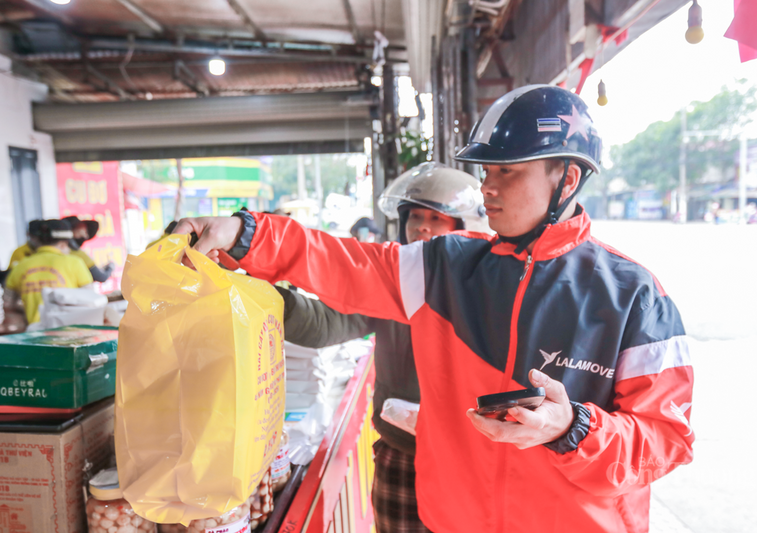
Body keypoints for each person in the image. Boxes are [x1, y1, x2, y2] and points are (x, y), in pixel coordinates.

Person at [174, 85, 694, 532]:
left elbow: (666, 439)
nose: (486, 186)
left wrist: (572, 427)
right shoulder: (443, 267)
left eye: (507, 172)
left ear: (568, 180)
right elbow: (343, 262)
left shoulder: (636, 297)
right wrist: (245, 233)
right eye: (486, 170)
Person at [276, 163, 485, 533]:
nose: (422, 226)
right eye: (415, 216)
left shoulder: (489, 294)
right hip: (402, 456)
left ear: (462, 229)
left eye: (437, 218)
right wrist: (268, 300)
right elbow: (326, 323)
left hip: (472, 463)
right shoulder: (393, 285)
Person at [6, 219, 93, 325]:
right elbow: (90, 301)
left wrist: (29, 307)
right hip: (71, 331)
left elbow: (8, 304)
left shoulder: (20, 266)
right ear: (63, 244)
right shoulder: (75, 263)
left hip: (34, 334)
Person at [62, 216, 115, 282]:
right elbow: (102, 277)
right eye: (86, 230)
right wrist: (110, 267)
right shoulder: (78, 254)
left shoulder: (52, 246)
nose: (86, 235)